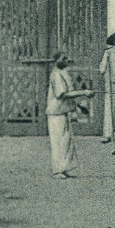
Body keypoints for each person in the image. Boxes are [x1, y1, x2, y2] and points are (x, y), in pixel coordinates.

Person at [47, 51, 94, 179]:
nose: (66, 61)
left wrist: (79, 106)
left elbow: (69, 93)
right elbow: (62, 95)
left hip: (63, 111)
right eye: (63, 59)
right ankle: (57, 171)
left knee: (65, 141)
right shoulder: (56, 75)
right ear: (56, 60)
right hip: (56, 112)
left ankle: (64, 168)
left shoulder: (63, 73)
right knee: (58, 141)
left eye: (67, 58)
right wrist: (84, 92)